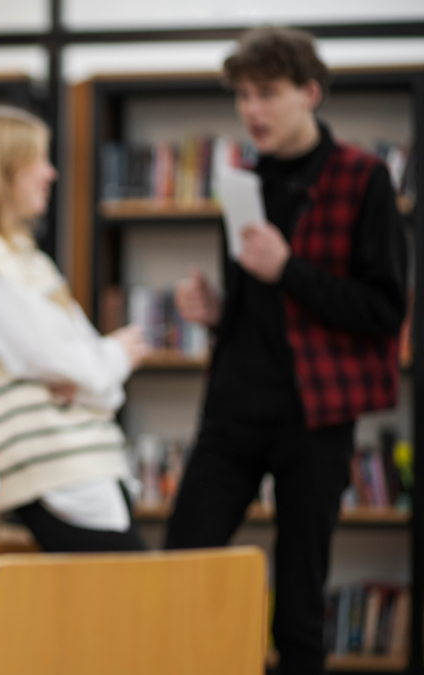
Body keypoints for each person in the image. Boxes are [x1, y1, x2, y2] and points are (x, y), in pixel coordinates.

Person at [166, 27, 407, 675]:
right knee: (176, 568)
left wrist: (290, 268)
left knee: (299, 604)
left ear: (310, 92)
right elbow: (254, 304)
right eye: (243, 95)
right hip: (233, 408)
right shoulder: (241, 179)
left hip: (316, 417)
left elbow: (386, 311)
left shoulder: (365, 179)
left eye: (267, 93)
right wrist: (216, 311)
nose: (252, 109)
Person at [0, 108, 149, 552]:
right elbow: (75, 362)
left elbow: (81, 370)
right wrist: (114, 357)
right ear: (1, 172)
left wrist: (91, 372)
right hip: (59, 471)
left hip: (81, 463)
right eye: (37, 160)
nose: (50, 174)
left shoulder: (23, 257)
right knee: (134, 606)